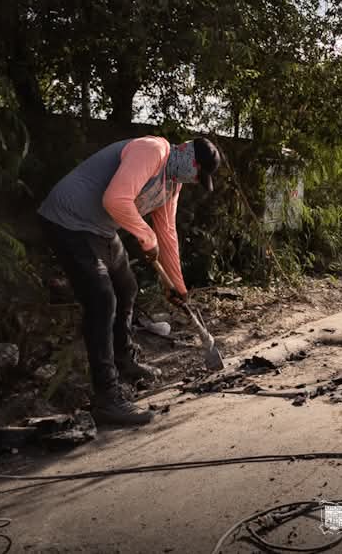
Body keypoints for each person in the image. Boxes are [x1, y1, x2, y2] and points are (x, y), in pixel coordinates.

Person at [38, 136, 221, 426]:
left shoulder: (171, 184)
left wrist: (176, 286)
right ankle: (107, 398)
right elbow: (116, 199)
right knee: (102, 299)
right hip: (69, 221)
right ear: (189, 158)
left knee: (127, 288)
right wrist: (145, 237)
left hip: (101, 229)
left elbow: (167, 234)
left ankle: (124, 360)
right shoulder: (154, 150)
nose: (196, 179)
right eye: (198, 172)